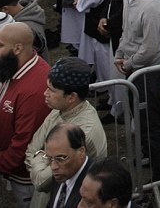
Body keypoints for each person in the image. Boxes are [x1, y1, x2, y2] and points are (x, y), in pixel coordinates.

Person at [106, 0, 160, 177]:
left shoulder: (151, 6)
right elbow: (127, 32)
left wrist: (130, 63)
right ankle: (146, 154)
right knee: (139, 119)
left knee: (151, 123)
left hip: (147, 73)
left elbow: (150, 48)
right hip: (134, 68)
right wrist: (120, 53)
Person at [0, 22, 52, 208]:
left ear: (18, 48)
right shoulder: (14, 68)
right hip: (15, 169)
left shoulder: (33, 90)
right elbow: (3, 116)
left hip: (26, 176)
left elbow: (24, 140)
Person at [25, 58, 107, 208]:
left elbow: (41, 181)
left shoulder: (84, 131)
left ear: (71, 97)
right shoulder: (59, 110)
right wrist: (41, 157)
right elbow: (31, 149)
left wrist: (40, 155)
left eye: (52, 90)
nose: (45, 93)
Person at [42, 124, 94, 208]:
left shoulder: (95, 185)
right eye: (49, 158)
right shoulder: (62, 175)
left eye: (61, 158)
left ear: (81, 152)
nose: (53, 166)